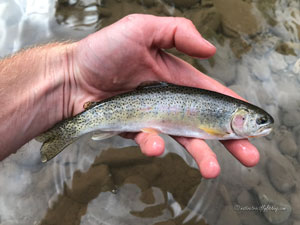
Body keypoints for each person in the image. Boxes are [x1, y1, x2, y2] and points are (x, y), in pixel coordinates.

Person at [0, 14, 259, 178]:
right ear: (241, 117)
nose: (260, 125)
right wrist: (71, 71)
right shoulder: (223, 125)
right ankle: (66, 131)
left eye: (259, 122)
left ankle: (62, 132)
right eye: (258, 121)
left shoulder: (226, 118)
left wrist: (70, 73)